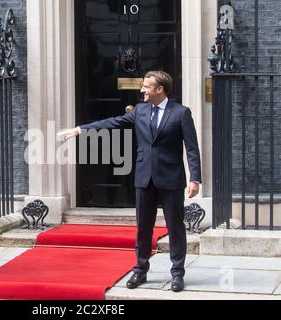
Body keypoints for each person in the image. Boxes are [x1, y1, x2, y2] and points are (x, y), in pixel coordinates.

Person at [58, 71, 201, 292]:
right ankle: (140, 270)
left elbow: (192, 147)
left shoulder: (181, 113)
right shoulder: (140, 110)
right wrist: (81, 130)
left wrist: (195, 178)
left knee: (175, 227)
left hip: (171, 178)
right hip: (144, 177)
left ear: (159, 89)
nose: (142, 90)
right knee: (143, 227)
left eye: (146, 86)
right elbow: (114, 122)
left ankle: (177, 273)